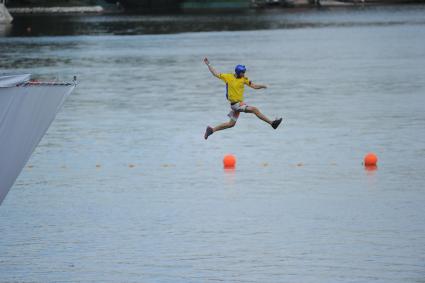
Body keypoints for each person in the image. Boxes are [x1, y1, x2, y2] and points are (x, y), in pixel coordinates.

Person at [203, 57, 282, 140]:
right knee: (254, 110)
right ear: (238, 72)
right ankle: (272, 123)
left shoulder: (243, 79)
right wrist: (208, 64)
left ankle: (211, 130)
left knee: (231, 124)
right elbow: (215, 73)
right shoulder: (228, 77)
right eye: (242, 73)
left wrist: (263, 86)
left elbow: (254, 86)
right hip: (236, 105)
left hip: (238, 105)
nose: (244, 74)